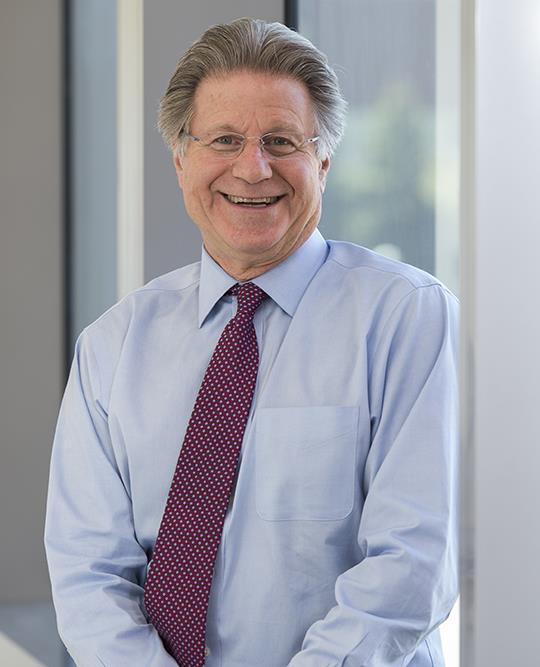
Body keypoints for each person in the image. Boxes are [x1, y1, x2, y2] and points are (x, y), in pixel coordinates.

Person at [44, 17, 459, 667]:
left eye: (280, 139)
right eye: (226, 139)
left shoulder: (407, 317)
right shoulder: (112, 345)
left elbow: (411, 565)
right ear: (182, 158)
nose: (253, 166)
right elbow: (87, 575)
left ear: (323, 160)